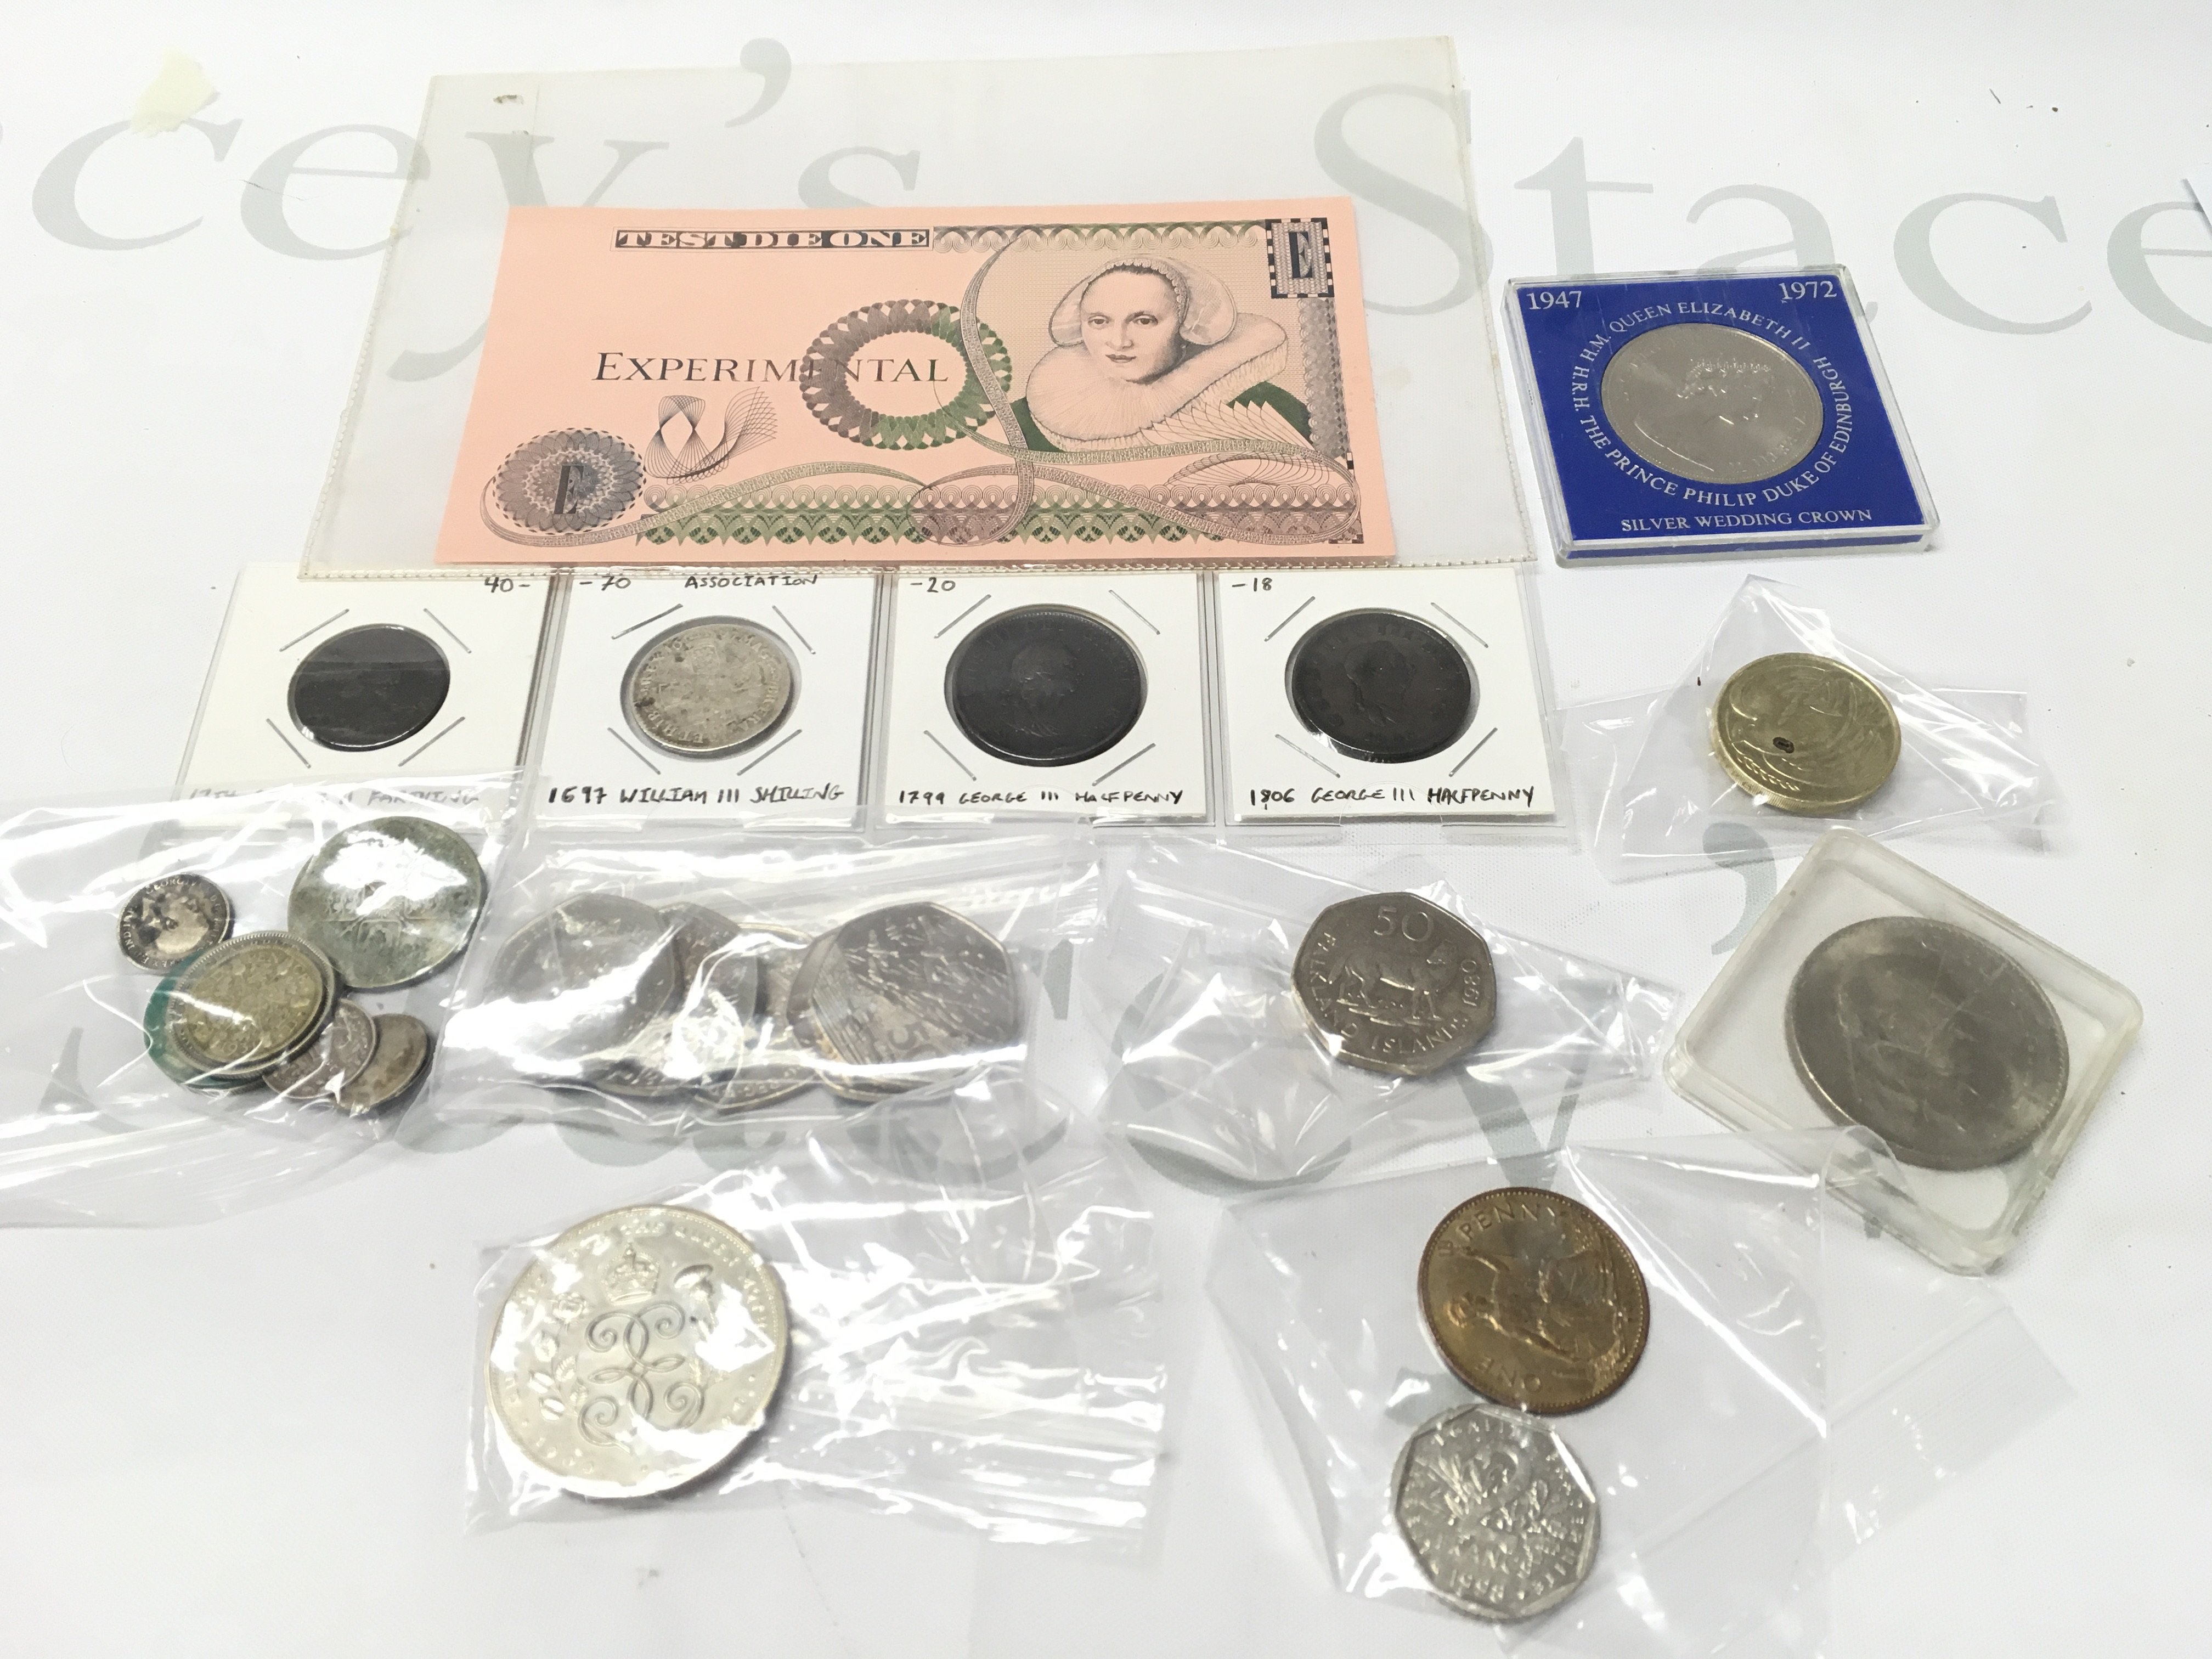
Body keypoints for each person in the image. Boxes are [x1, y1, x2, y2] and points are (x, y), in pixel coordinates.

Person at [1011, 255, 1309, 452]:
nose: (1119, 342)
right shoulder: (1020, 422)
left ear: (1184, 324)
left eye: (1144, 321)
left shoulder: (1270, 409)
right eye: (1099, 322)